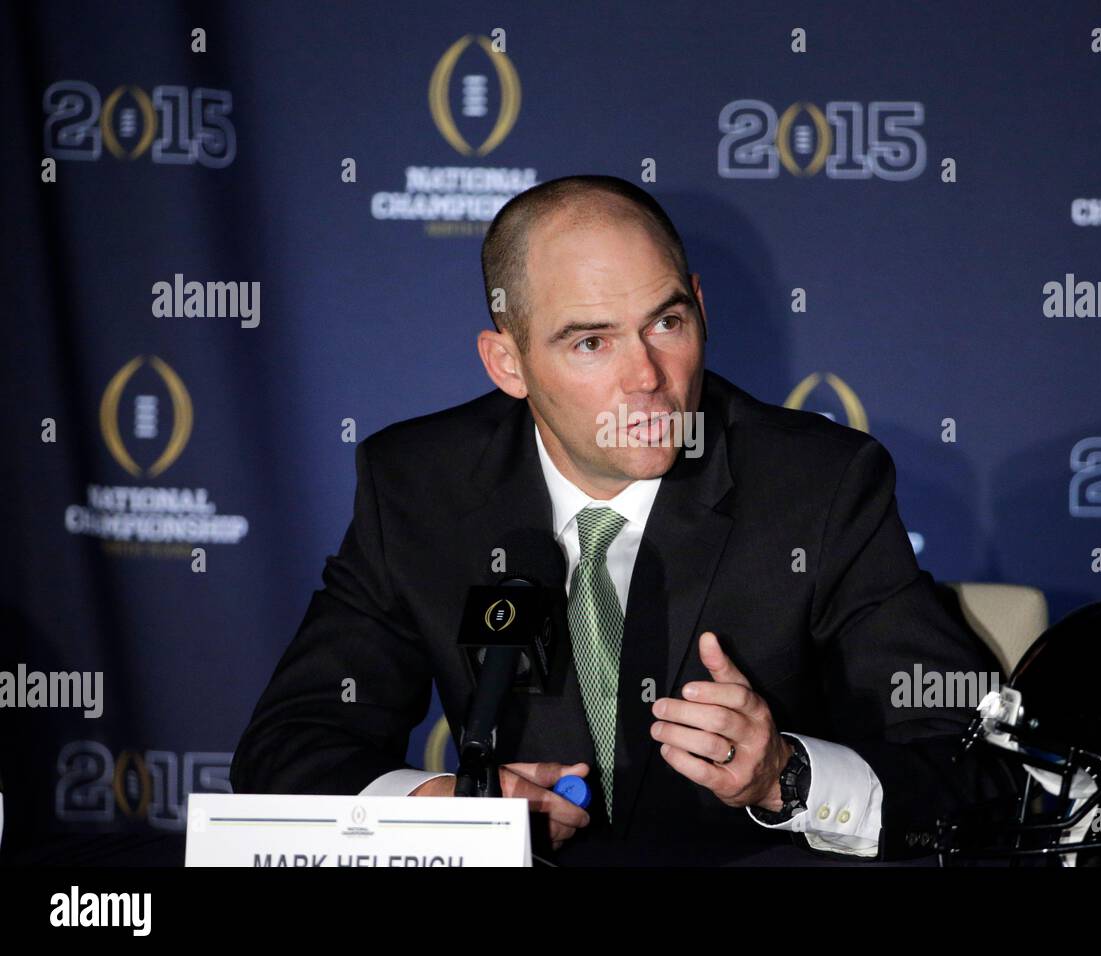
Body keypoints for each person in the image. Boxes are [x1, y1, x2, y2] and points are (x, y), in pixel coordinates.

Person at [230, 174, 1013, 865]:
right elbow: (291, 746)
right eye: (591, 342)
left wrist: (786, 775)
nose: (646, 378)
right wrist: (442, 809)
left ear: (700, 308)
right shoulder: (419, 486)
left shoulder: (819, 486)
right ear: (508, 363)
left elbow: (976, 763)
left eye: (667, 323)